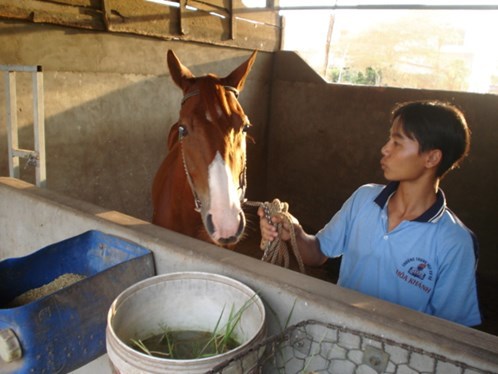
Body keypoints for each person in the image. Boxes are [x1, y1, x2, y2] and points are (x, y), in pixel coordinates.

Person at [258, 100, 481, 327]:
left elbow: (454, 329)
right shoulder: (364, 199)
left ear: (431, 158)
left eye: (397, 142)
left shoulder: (455, 242)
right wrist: (295, 233)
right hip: (338, 332)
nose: (385, 149)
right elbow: (318, 252)